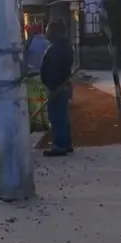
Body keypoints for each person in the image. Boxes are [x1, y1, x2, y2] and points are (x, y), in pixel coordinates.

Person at [41, 20, 75, 157]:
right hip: (61, 86)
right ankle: (66, 143)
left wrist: (53, 88)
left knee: (57, 117)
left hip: (57, 87)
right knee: (62, 115)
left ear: (54, 31)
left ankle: (60, 145)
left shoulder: (56, 49)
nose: (46, 32)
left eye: (48, 29)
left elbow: (56, 70)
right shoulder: (64, 46)